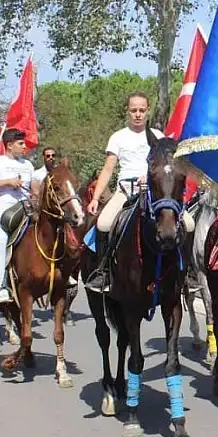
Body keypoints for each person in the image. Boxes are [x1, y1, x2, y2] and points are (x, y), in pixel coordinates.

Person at [86, 92, 165, 292]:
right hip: (126, 190)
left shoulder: (158, 136)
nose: (137, 114)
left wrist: (149, 177)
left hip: (154, 192)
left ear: (148, 111)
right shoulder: (118, 137)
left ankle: (187, 273)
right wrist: (95, 198)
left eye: (141, 110)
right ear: (127, 112)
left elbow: (166, 166)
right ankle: (103, 272)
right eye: (133, 110)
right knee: (103, 224)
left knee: (187, 223)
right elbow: (108, 169)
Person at [0, 128, 35, 304]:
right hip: (3, 209)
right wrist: (7, 182)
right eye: (20, 143)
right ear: (9, 145)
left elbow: (34, 188)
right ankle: (1, 285)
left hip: (26, 208)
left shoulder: (28, 165)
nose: (24, 146)